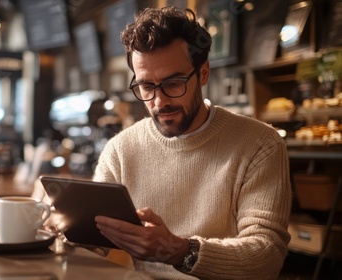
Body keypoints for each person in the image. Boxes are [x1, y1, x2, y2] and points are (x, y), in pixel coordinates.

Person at [92, 7, 291, 279]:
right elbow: (94, 240)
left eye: (173, 83)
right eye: (146, 86)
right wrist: (63, 225)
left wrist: (177, 250)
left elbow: (267, 255)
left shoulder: (259, 144)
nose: (159, 102)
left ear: (204, 73)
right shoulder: (120, 150)